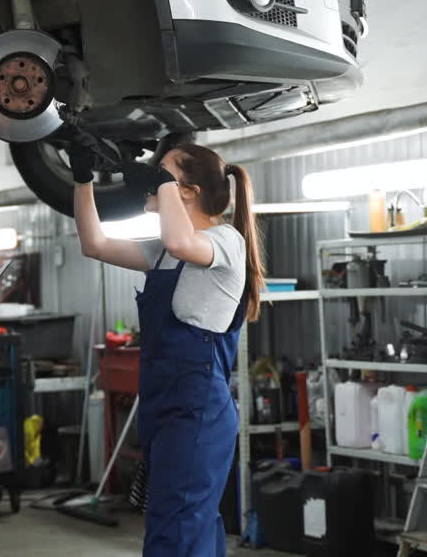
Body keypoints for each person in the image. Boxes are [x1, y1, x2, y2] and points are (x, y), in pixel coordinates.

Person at [71, 140, 265, 556]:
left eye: (165, 173)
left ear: (189, 192)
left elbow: (180, 241)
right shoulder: (163, 253)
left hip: (197, 410)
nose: (152, 178)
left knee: (177, 528)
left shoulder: (224, 240)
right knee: (181, 522)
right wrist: (83, 180)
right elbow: (94, 244)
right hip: (162, 402)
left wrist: (163, 184)